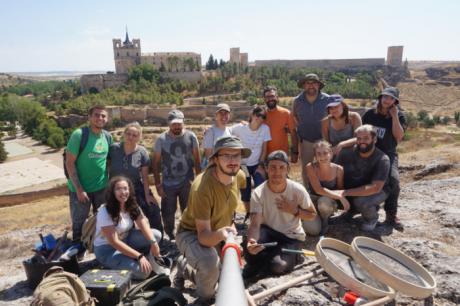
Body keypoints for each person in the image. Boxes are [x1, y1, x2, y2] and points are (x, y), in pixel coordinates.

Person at [174, 136, 249, 304]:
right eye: (226, 156)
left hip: (217, 230)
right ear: (215, 159)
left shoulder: (238, 176)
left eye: (236, 155)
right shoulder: (202, 187)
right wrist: (224, 234)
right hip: (191, 233)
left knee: (226, 273)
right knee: (209, 267)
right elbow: (204, 236)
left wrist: (230, 225)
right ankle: (189, 275)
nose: (232, 161)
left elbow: (230, 203)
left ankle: (188, 266)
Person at [244, 150, 318, 278]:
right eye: (272, 167)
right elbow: (255, 224)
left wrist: (294, 211)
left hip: (290, 236)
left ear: (287, 169)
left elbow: (312, 215)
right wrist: (251, 241)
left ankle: (290, 255)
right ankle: (271, 254)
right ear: (266, 169)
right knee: (250, 255)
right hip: (268, 232)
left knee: (278, 266)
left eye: (281, 167)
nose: (277, 172)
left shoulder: (297, 190)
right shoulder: (258, 192)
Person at [93, 176, 163, 280]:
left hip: (126, 239)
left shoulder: (130, 204)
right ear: (112, 192)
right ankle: (112, 265)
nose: (123, 192)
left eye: (125, 188)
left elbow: (142, 222)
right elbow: (114, 242)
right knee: (144, 273)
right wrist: (139, 256)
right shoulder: (105, 211)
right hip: (107, 250)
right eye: (118, 189)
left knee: (156, 235)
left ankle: (131, 258)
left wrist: (153, 243)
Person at [65, 105, 112, 256]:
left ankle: (98, 246)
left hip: (101, 187)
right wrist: (79, 189)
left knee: (102, 218)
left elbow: (109, 160)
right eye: (97, 115)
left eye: (103, 116)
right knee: (79, 221)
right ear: (90, 117)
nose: (100, 118)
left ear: (107, 119)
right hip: (80, 189)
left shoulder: (107, 137)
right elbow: (69, 163)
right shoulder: (79, 135)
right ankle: (78, 251)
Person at [152, 109, 201, 240]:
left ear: (183, 122)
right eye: (174, 124)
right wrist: (158, 184)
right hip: (168, 184)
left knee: (189, 210)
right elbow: (155, 163)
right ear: (169, 124)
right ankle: (170, 234)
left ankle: (186, 233)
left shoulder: (191, 137)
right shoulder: (161, 139)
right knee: (168, 212)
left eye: (179, 123)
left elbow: (197, 160)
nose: (176, 126)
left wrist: (199, 181)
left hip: (187, 182)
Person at [362, 87, 406, 231]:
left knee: (394, 181)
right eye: (385, 97)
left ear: (395, 101)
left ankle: (391, 215)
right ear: (380, 98)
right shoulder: (370, 114)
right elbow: (361, 133)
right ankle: (358, 209)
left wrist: (394, 116)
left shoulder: (399, 116)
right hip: (369, 153)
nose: (387, 100)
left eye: (391, 98)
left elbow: (399, 137)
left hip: (388, 154)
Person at [109, 122, 163, 235]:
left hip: (135, 188)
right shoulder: (113, 149)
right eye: (128, 134)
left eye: (134, 135)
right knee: (120, 216)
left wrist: (147, 194)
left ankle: (159, 240)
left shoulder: (142, 152)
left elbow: (144, 176)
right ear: (124, 134)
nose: (131, 137)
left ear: (139, 137)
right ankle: (126, 240)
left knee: (153, 209)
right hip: (115, 189)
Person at [336, 125, 391, 231]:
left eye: (366, 138)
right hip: (355, 187)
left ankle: (372, 218)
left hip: (379, 191)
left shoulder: (382, 159)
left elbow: (375, 188)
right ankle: (352, 211)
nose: (362, 141)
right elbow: (335, 172)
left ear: (374, 139)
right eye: (359, 138)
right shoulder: (346, 153)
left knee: (361, 201)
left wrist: (345, 192)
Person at [230, 105, 271, 218]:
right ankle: (249, 213)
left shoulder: (265, 129)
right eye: (257, 114)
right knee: (246, 190)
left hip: (257, 164)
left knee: (260, 187)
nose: (259, 118)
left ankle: (260, 214)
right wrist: (207, 130)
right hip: (243, 165)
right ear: (252, 115)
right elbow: (226, 131)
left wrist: (261, 165)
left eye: (262, 116)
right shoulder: (240, 128)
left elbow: (264, 149)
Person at [291, 73, 330, 189]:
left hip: (323, 141)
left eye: (314, 83)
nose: (311, 85)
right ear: (304, 85)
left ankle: (325, 192)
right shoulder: (297, 101)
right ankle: (308, 194)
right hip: (306, 141)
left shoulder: (327, 99)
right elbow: (295, 118)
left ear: (318, 85)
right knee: (306, 169)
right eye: (308, 83)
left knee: (325, 167)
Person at [306, 141, 350, 234]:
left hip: (326, 201)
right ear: (315, 156)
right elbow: (318, 190)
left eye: (325, 153)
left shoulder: (339, 169)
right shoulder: (310, 167)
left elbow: (340, 189)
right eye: (319, 154)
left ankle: (325, 220)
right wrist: (340, 197)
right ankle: (314, 216)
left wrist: (339, 197)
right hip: (312, 200)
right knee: (313, 230)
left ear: (331, 153)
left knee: (324, 201)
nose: (322, 156)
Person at [262, 86, 298, 160]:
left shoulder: (286, 113)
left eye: (272, 96)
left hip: (282, 155)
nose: (270, 99)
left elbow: (293, 133)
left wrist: (295, 152)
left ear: (277, 97)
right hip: (264, 155)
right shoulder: (261, 115)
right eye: (267, 97)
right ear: (264, 99)